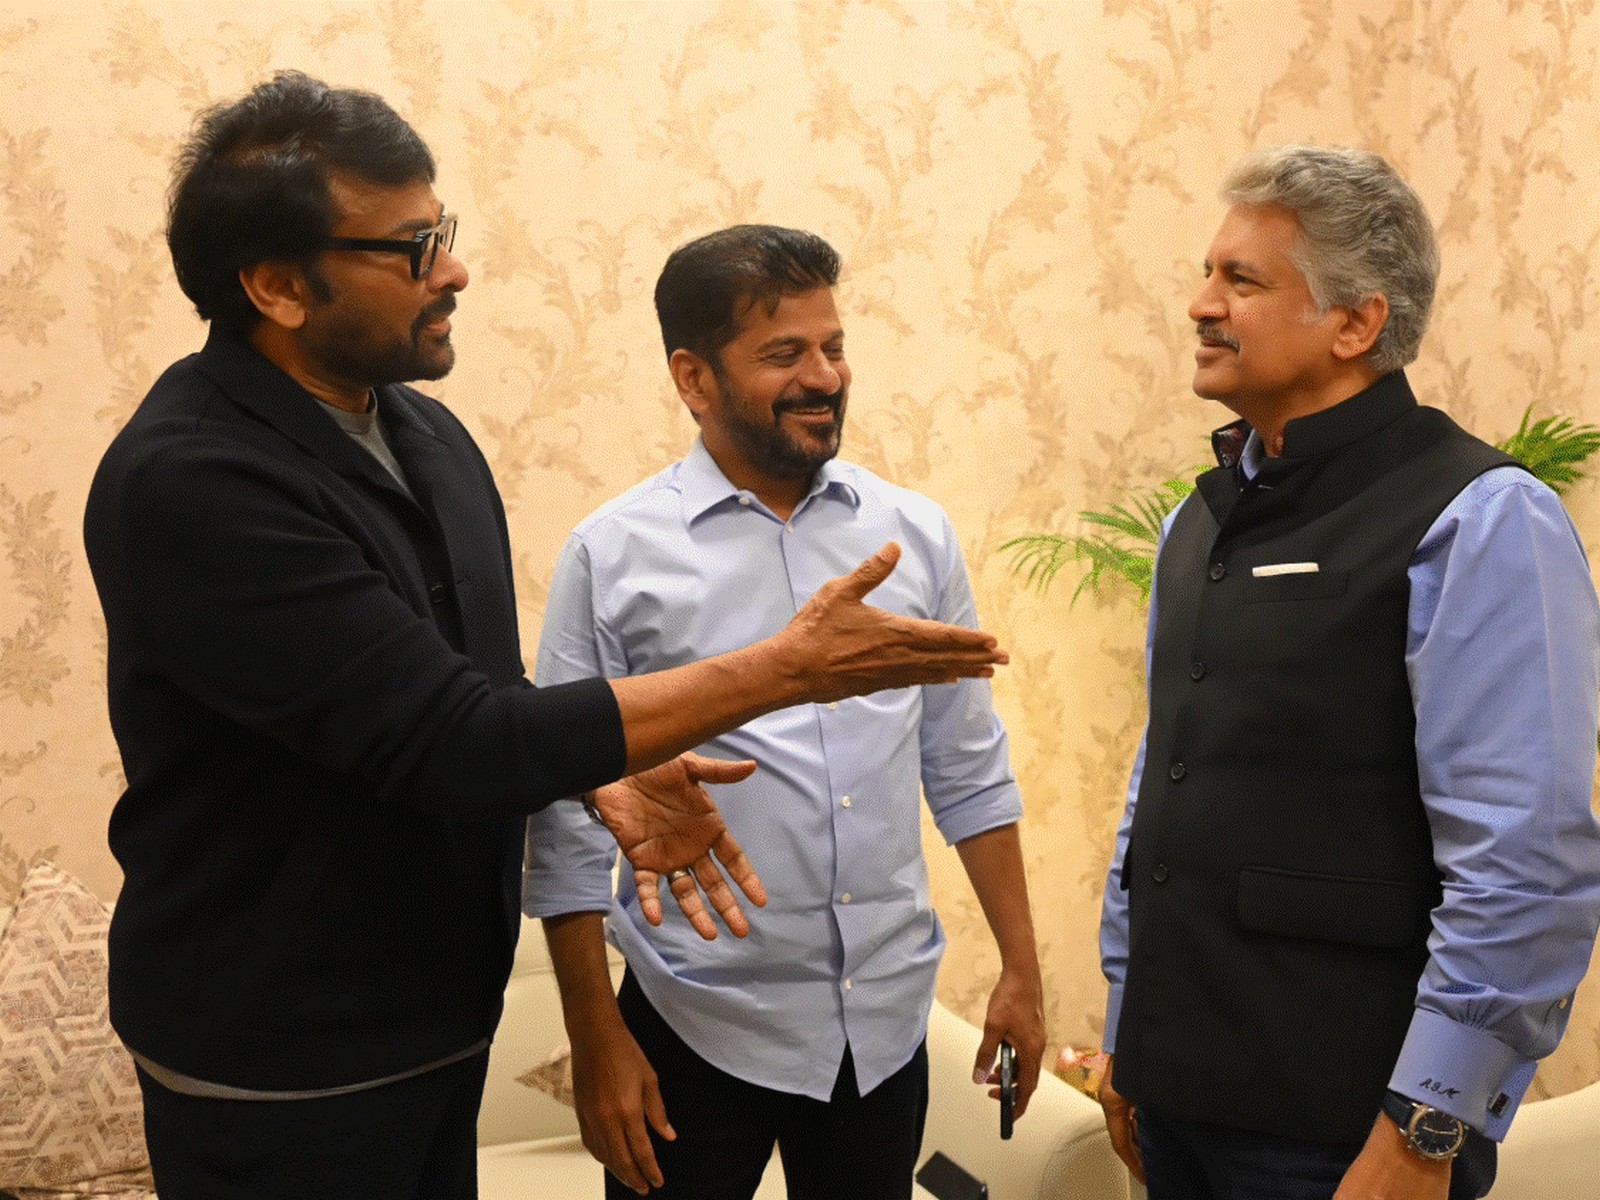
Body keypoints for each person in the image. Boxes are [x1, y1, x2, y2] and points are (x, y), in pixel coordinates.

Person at [81, 74, 1009, 1200]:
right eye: (413, 247)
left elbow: (472, 696)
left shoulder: (425, 438)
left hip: (434, 1026)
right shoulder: (193, 481)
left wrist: (605, 781)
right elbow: (458, 740)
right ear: (278, 286)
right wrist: (785, 671)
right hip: (283, 1060)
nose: (454, 269)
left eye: (445, 234)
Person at [1096, 144, 1600, 1200]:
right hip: (1176, 1103)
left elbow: (1525, 862)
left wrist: (1425, 1125)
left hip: (1344, 1136)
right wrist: (1126, 1033)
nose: (1199, 303)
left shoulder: (1480, 516)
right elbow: (1164, 788)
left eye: (1241, 280)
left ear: (1356, 322)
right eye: (1207, 272)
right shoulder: (1201, 517)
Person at [522, 224, 1046, 1199]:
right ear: (694, 377)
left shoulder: (913, 535)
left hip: (884, 1030)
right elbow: (559, 811)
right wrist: (596, 1040)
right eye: (783, 354)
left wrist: (1020, 968)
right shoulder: (613, 554)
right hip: (691, 1027)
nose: (823, 375)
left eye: (833, 346)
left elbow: (966, 767)